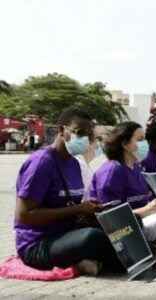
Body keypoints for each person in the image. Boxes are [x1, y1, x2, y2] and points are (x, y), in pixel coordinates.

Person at [14, 107, 121, 275]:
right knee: (93, 237)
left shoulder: (74, 163)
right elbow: (25, 215)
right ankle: (119, 261)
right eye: (79, 133)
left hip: (66, 234)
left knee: (122, 224)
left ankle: (102, 261)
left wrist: (92, 212)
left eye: (88, 135)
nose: (84, 139)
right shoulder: (41, 163)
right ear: (62, 130)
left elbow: (71, 206)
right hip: (38, 244)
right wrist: (78, 209)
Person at [89, 122, 156, 253]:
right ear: (125, 144)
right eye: (140, 139)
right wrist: (147, 209)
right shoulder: (112, 171)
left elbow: (143, 200)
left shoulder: (136, 167)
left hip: (142, 218)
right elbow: (110, 216)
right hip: (122, 228)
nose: (145, 144)